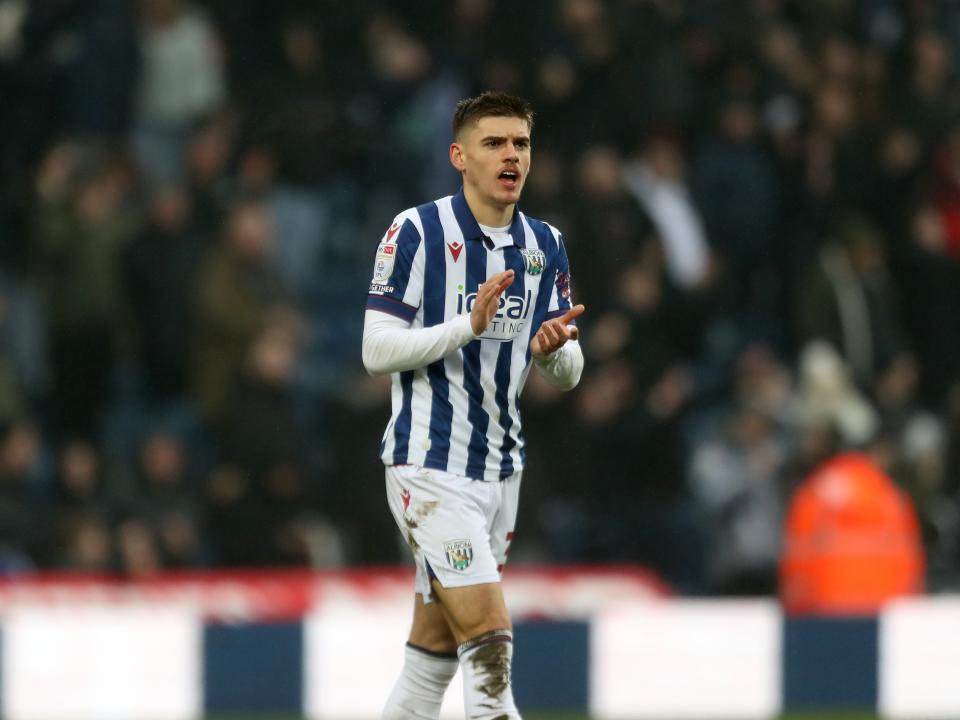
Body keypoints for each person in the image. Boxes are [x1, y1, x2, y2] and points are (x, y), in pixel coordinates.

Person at [362, 91, 585, 720]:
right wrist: (467, 324)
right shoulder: (416, 231)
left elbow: (569, 371)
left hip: (500, 473)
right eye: (494, 143)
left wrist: (552, 355)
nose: (511, 155)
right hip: (428, 465)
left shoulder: (546, 245)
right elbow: (375, 350)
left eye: (520, 144)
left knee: (429, 661)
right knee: (490, 648)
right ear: (460, 156)